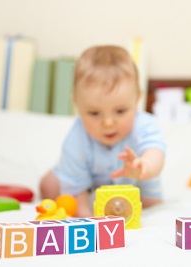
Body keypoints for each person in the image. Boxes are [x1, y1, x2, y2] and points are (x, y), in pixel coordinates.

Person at [39, 45, 166, 218]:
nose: (108, 123)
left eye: (120, 111)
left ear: (137, 99)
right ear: (77, 104)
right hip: (89, 183)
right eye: (94, 113)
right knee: (50, 186)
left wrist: (144, 167)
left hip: (136, 179)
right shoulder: (77, 138)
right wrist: (89, 219)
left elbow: (155, 152)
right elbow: (77, 194)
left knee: (153, 207)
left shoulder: (144, 125)